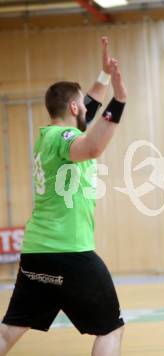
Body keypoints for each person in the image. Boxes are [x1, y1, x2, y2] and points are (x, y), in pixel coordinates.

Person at [0, 37, 127, 356]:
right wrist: (120, 100)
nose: (87, 107)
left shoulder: (46, 137)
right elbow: (93, 147)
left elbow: (86, 112)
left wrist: (102, 77)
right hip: (70, 251)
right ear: (73, 108)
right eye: (82, 104)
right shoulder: (67, 137)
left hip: (37, 252)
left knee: (8, 332)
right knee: (111, 328)